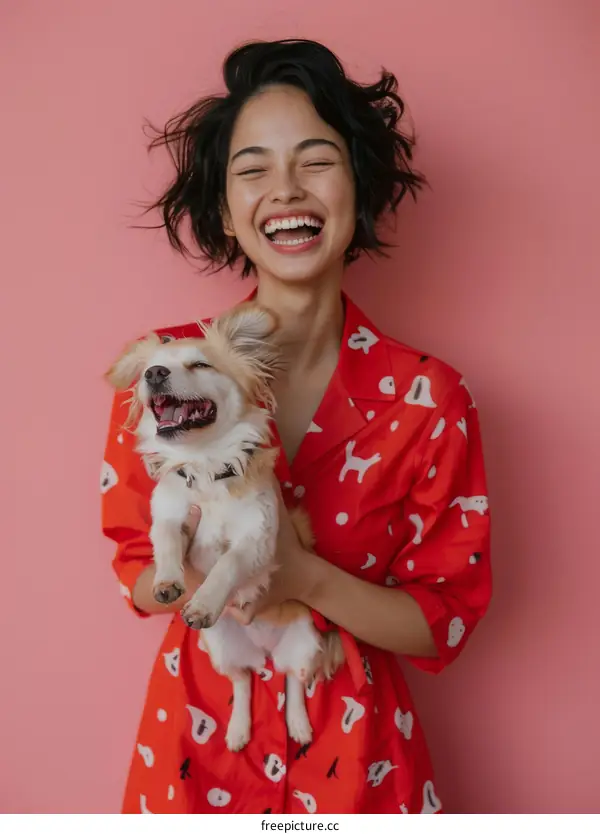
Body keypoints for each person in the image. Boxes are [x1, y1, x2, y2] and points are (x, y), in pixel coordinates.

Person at [101, 38, 491, 814]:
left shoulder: (429, 398)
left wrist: (303, 574)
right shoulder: (160, 378)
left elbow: (441, 620)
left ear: (360, 187)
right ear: (224, 209)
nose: (286, 189)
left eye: (316, 160)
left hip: (360, 767)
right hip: (197, 750)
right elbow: (141, 574)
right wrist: (201, 566)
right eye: (252, 170)